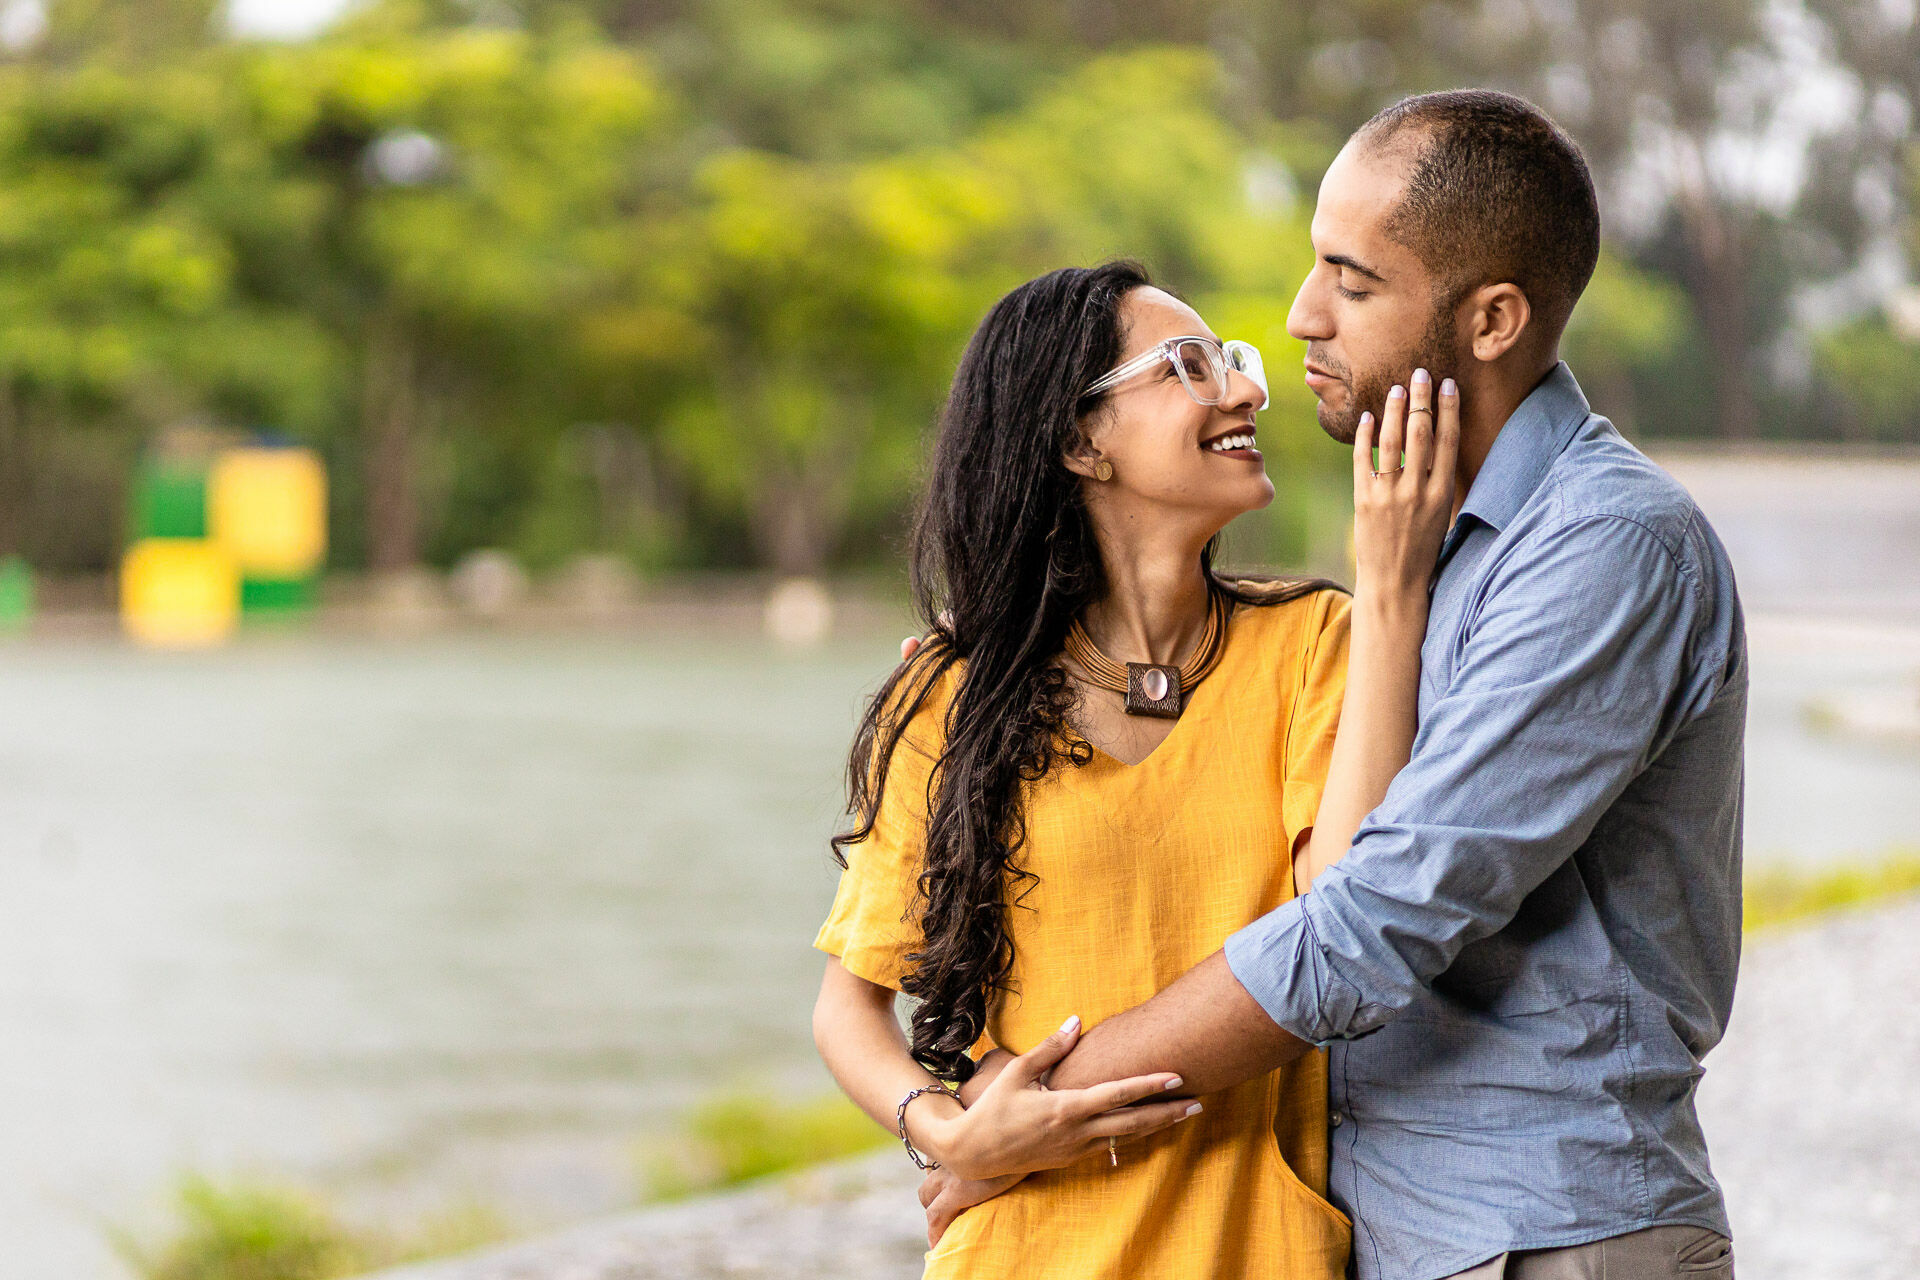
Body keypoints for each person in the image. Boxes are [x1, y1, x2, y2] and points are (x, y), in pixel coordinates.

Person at [920, 91, 1746, 1280]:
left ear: (1493, 319)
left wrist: (1024, 1121)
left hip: (1551, 1230)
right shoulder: (1420, 548)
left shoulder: (1604, 548)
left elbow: (1373, 921)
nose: (1302, 315)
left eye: (1352, 284)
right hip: (1379, 1233)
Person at [810, 258, 1458, 1278]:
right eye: (1189, 366)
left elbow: (1337, 921)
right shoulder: (952, 693)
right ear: (1082, 441)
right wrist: (950, 1135)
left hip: (1260, 1252)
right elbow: (850, 1008)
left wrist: (1390, 589)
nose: (1245, 390)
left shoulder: (1316, 645)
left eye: (1231, 361)